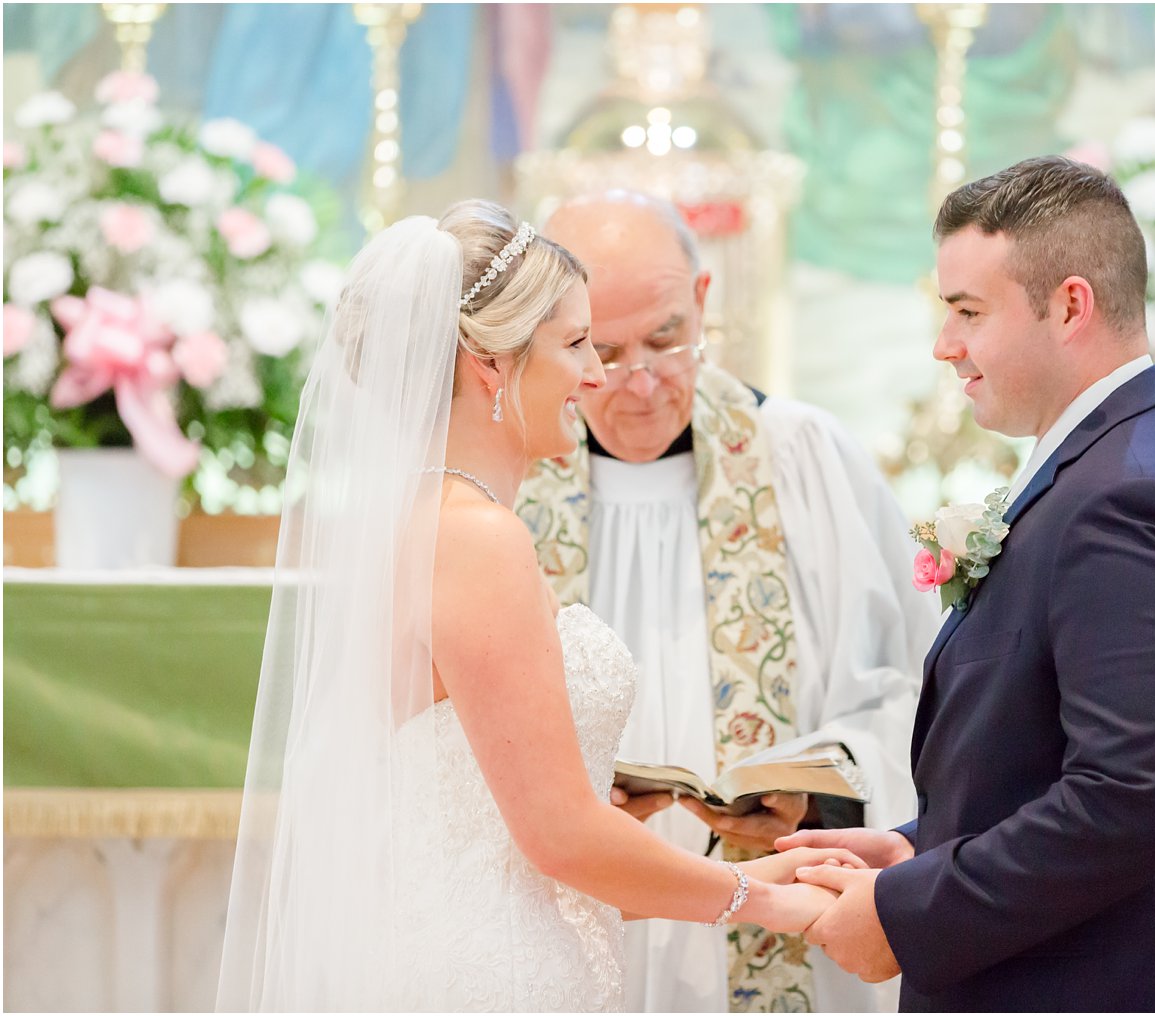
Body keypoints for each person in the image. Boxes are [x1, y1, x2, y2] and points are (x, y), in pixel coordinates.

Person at [215, 201, 865, 1012]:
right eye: (577, 343)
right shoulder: (477, 538)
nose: (597, 375)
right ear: (489, 365)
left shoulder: (422, 523)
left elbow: (487, 843)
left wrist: (754, 872)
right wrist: (764, 901)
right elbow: (558, 837)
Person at [784, 156, 1155, 1011]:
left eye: (968, 313)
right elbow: (1044, 762)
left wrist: (909, 912)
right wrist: (917, 850)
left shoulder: (1127, 497)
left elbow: (1132, 800)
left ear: (1069, 306)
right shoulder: (1128, 459)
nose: (945, 345)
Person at [519, 192, 939, 1013]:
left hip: (778, 917)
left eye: (667, 339)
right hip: (564, 919)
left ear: (705, 300)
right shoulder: (507, 485)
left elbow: (919, 690)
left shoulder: (807, 458)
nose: (639, 382)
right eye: (601, 350)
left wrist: (818, 791)